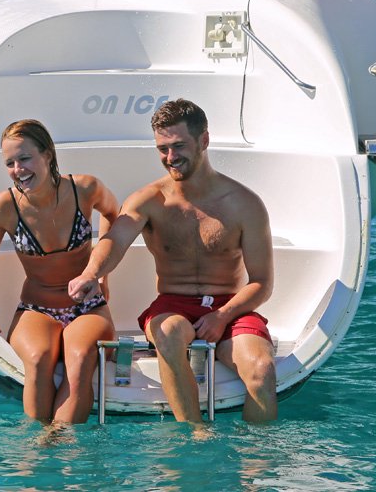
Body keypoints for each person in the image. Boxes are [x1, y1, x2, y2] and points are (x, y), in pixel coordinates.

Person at [68, 99, 278, 423]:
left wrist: (222, 316)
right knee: (167, 332)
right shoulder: (150, 199)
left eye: (178, 146)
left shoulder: (244, 204)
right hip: (173, 304)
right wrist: (91, 273)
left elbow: (262, 282)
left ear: (204, 141)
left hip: (231, 306)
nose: (170, 157)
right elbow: (116, 240)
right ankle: (196, 438)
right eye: (162, 149)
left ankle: (255, 467)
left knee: (262, 370)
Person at [0, 119, 120, 424]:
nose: (18, 169)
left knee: (81, 360)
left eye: (25, 158)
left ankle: (57, 443)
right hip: (36, 308)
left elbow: (115, 215)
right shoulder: (4, 206)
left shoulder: (85, 188)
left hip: (88, 307)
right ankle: (37, 450)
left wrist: (101, 274)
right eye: (10, 162)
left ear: (47, 154)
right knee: (37, 360)